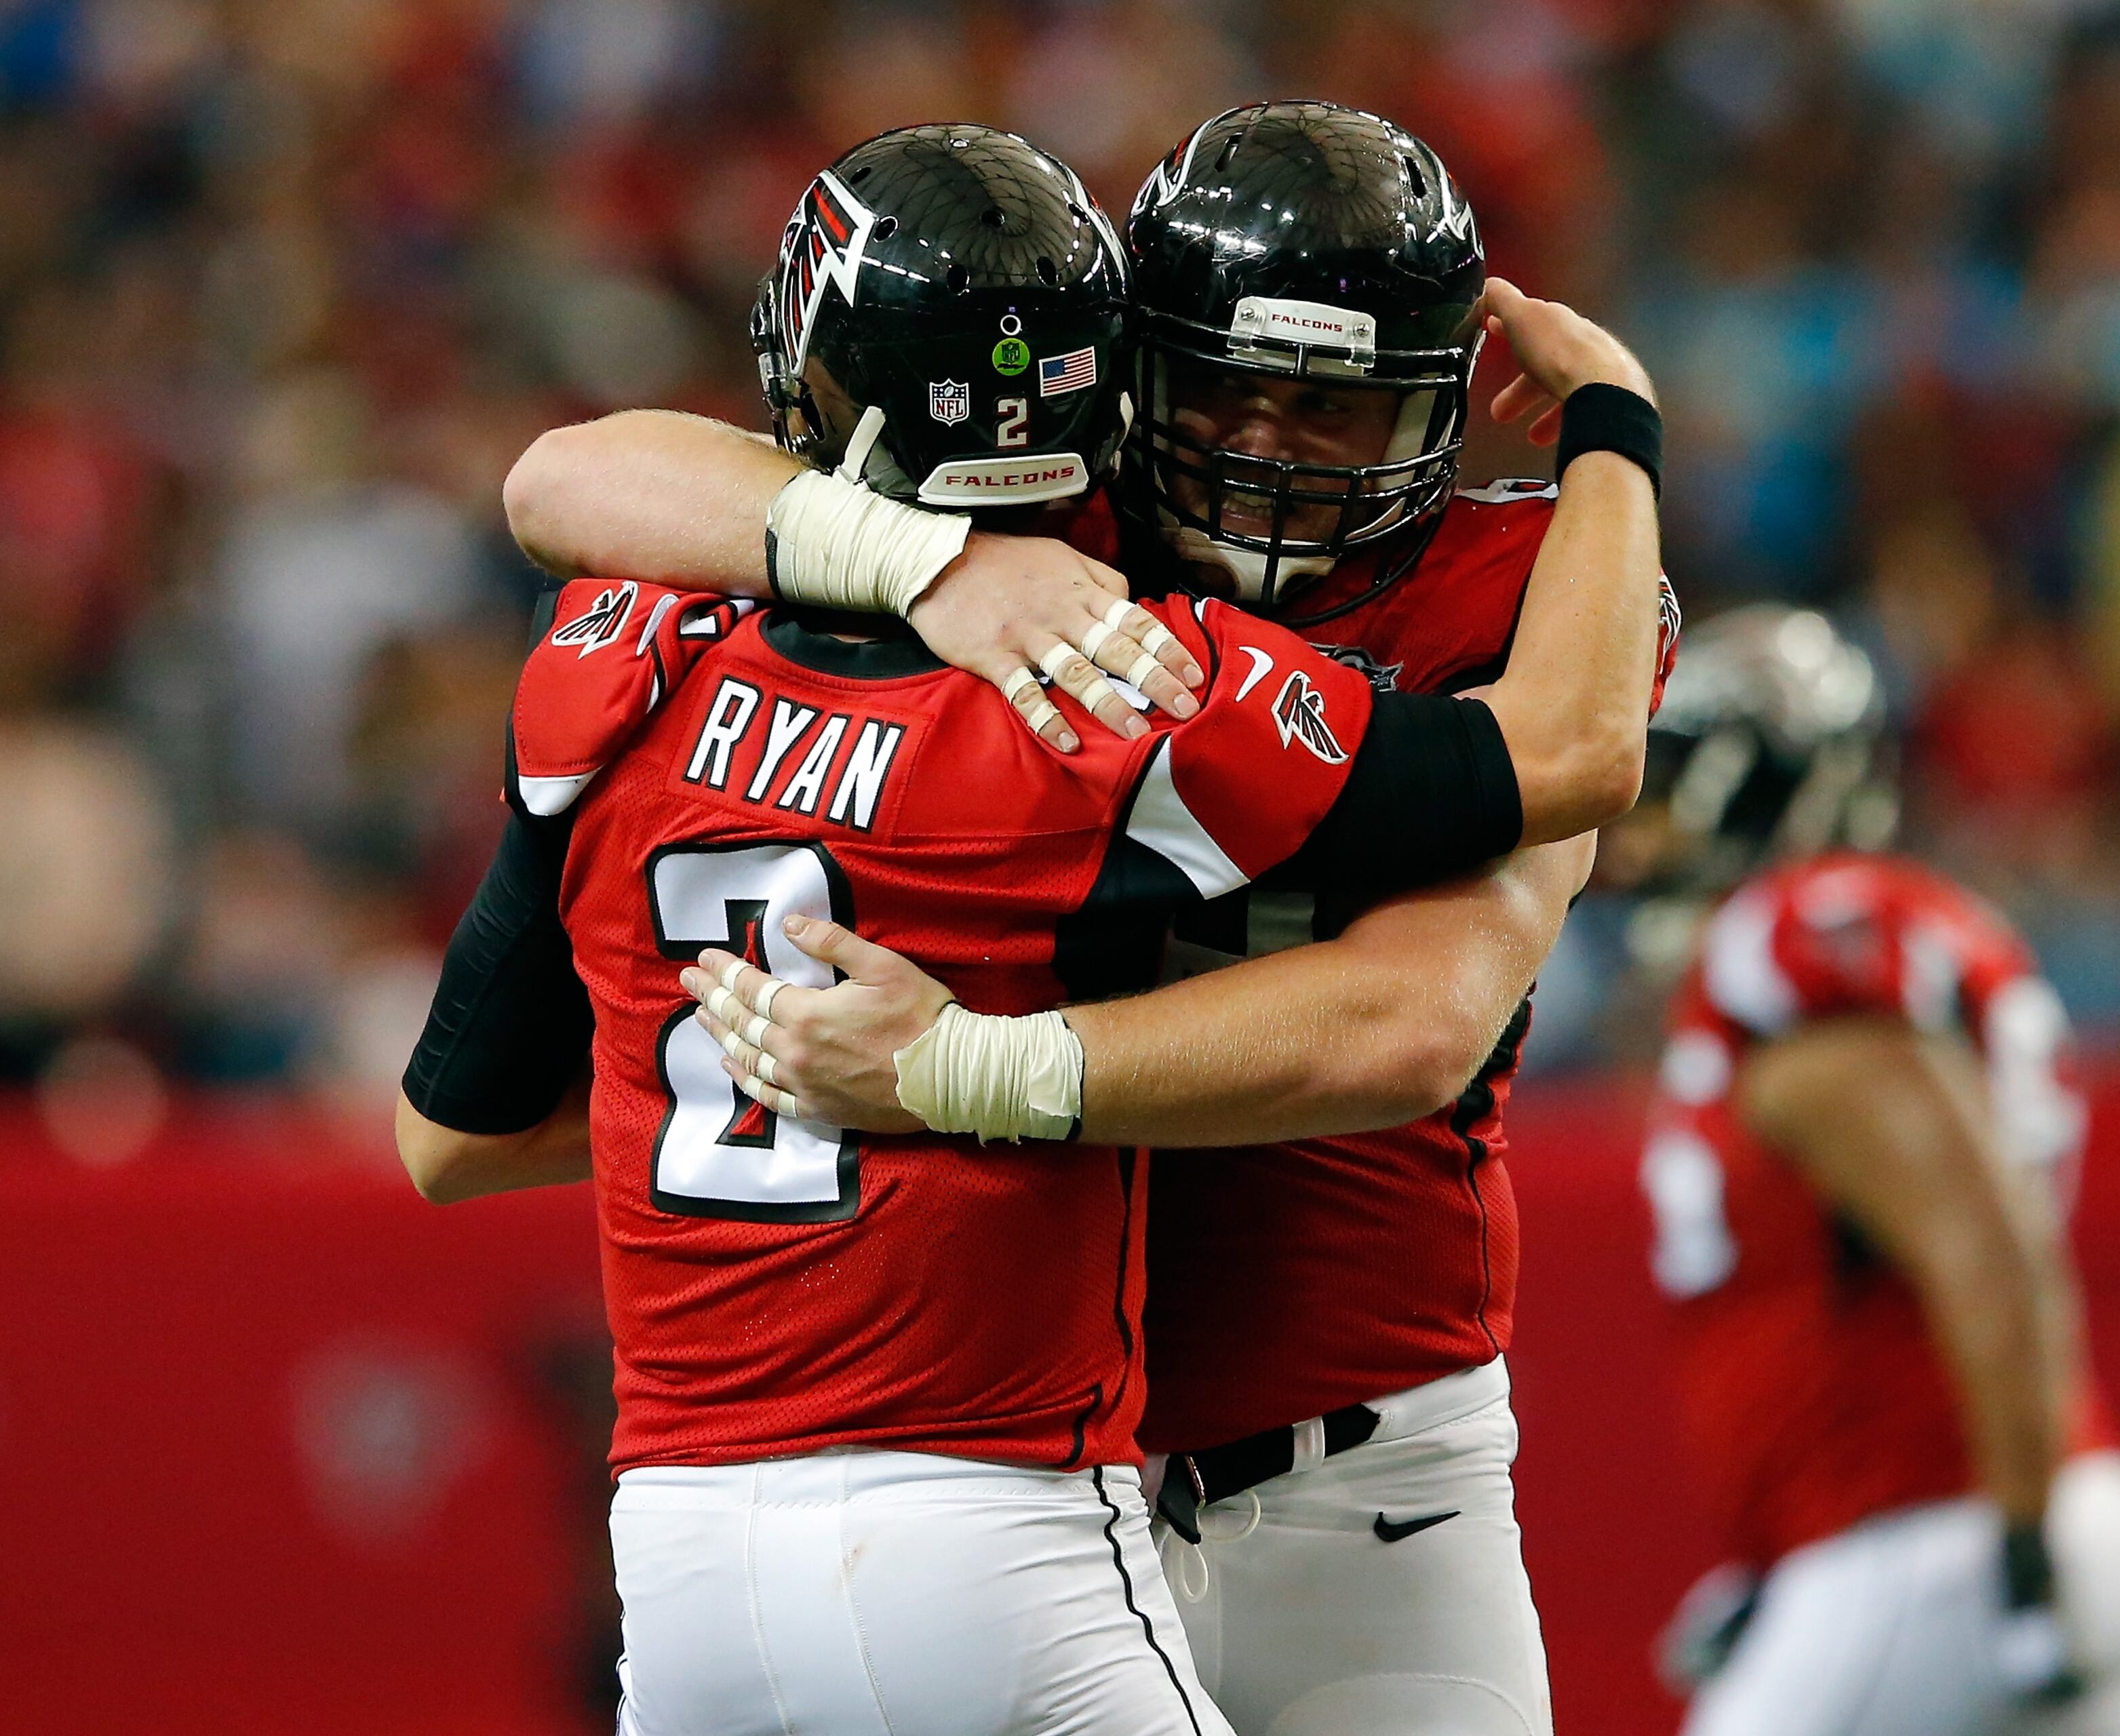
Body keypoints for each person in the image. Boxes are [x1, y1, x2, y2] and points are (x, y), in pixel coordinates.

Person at [395, 123, 1663, 1735]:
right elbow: (561, 475)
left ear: (1431, 404)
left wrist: (961, 1067)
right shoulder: (1049, 555)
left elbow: (1417, 1021)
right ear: (1126, 373)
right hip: (1033, 1479)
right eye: (1225, 391)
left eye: (1334, 404)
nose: (1273, 447)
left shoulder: (1534, 595)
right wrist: (926, 560)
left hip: (1349, 1468)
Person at [1630, 606, 2120, 1736]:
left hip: (1937, 1534)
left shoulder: (1806, 975)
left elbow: (1988, 1241)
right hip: (1961, 1523)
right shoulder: (1834, 967)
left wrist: (2022, 1551)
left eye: (1664, 785)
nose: (1631, 828)